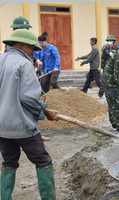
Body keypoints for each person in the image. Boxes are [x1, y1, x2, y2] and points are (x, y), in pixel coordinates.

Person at [0, 29, 58, 200]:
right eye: (32, 48)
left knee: (9, 162)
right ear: (20, 44)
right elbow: (29, 98)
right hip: (22, 126)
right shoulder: (24, 64)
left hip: (2, 127)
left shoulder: (0, 60)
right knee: (43, 161)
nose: (33, 52)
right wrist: (45, 111)